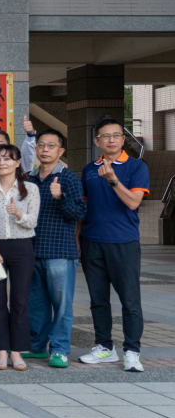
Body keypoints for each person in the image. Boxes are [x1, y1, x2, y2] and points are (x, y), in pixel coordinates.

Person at [78, 117, 149, 372]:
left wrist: (113, 179)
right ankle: (105, 348)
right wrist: (78, 242)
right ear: (97, 141)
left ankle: (132, 351)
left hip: (123, 243)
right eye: (105, 136)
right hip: (91, 242)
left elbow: (133, 202)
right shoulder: (88, 169)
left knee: (130, 301)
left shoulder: (136, 167)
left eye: (116, 135)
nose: (111, 140)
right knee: (98, 300)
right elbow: (83, 209)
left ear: (123, 139)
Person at [22, 129, 85, 369]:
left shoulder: (68, 178)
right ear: (36, 150)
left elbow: (79, 213)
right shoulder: (28, 178)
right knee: (35, 304)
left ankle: (59, 349)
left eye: (51, 146)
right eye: (41, 145)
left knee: (61, 304)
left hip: (59, 252)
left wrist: (60, 198)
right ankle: (37, 346)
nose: (45, 149)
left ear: (61, 151)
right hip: (31, 250)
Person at [0, 144, 40, 371]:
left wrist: (18, 213)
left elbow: (32, 221)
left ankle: (17, 351)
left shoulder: (30, 189)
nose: (1, 163)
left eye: (7, 159)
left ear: (17, 162)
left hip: (22, 248)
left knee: (19, 300)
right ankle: (1, 350)